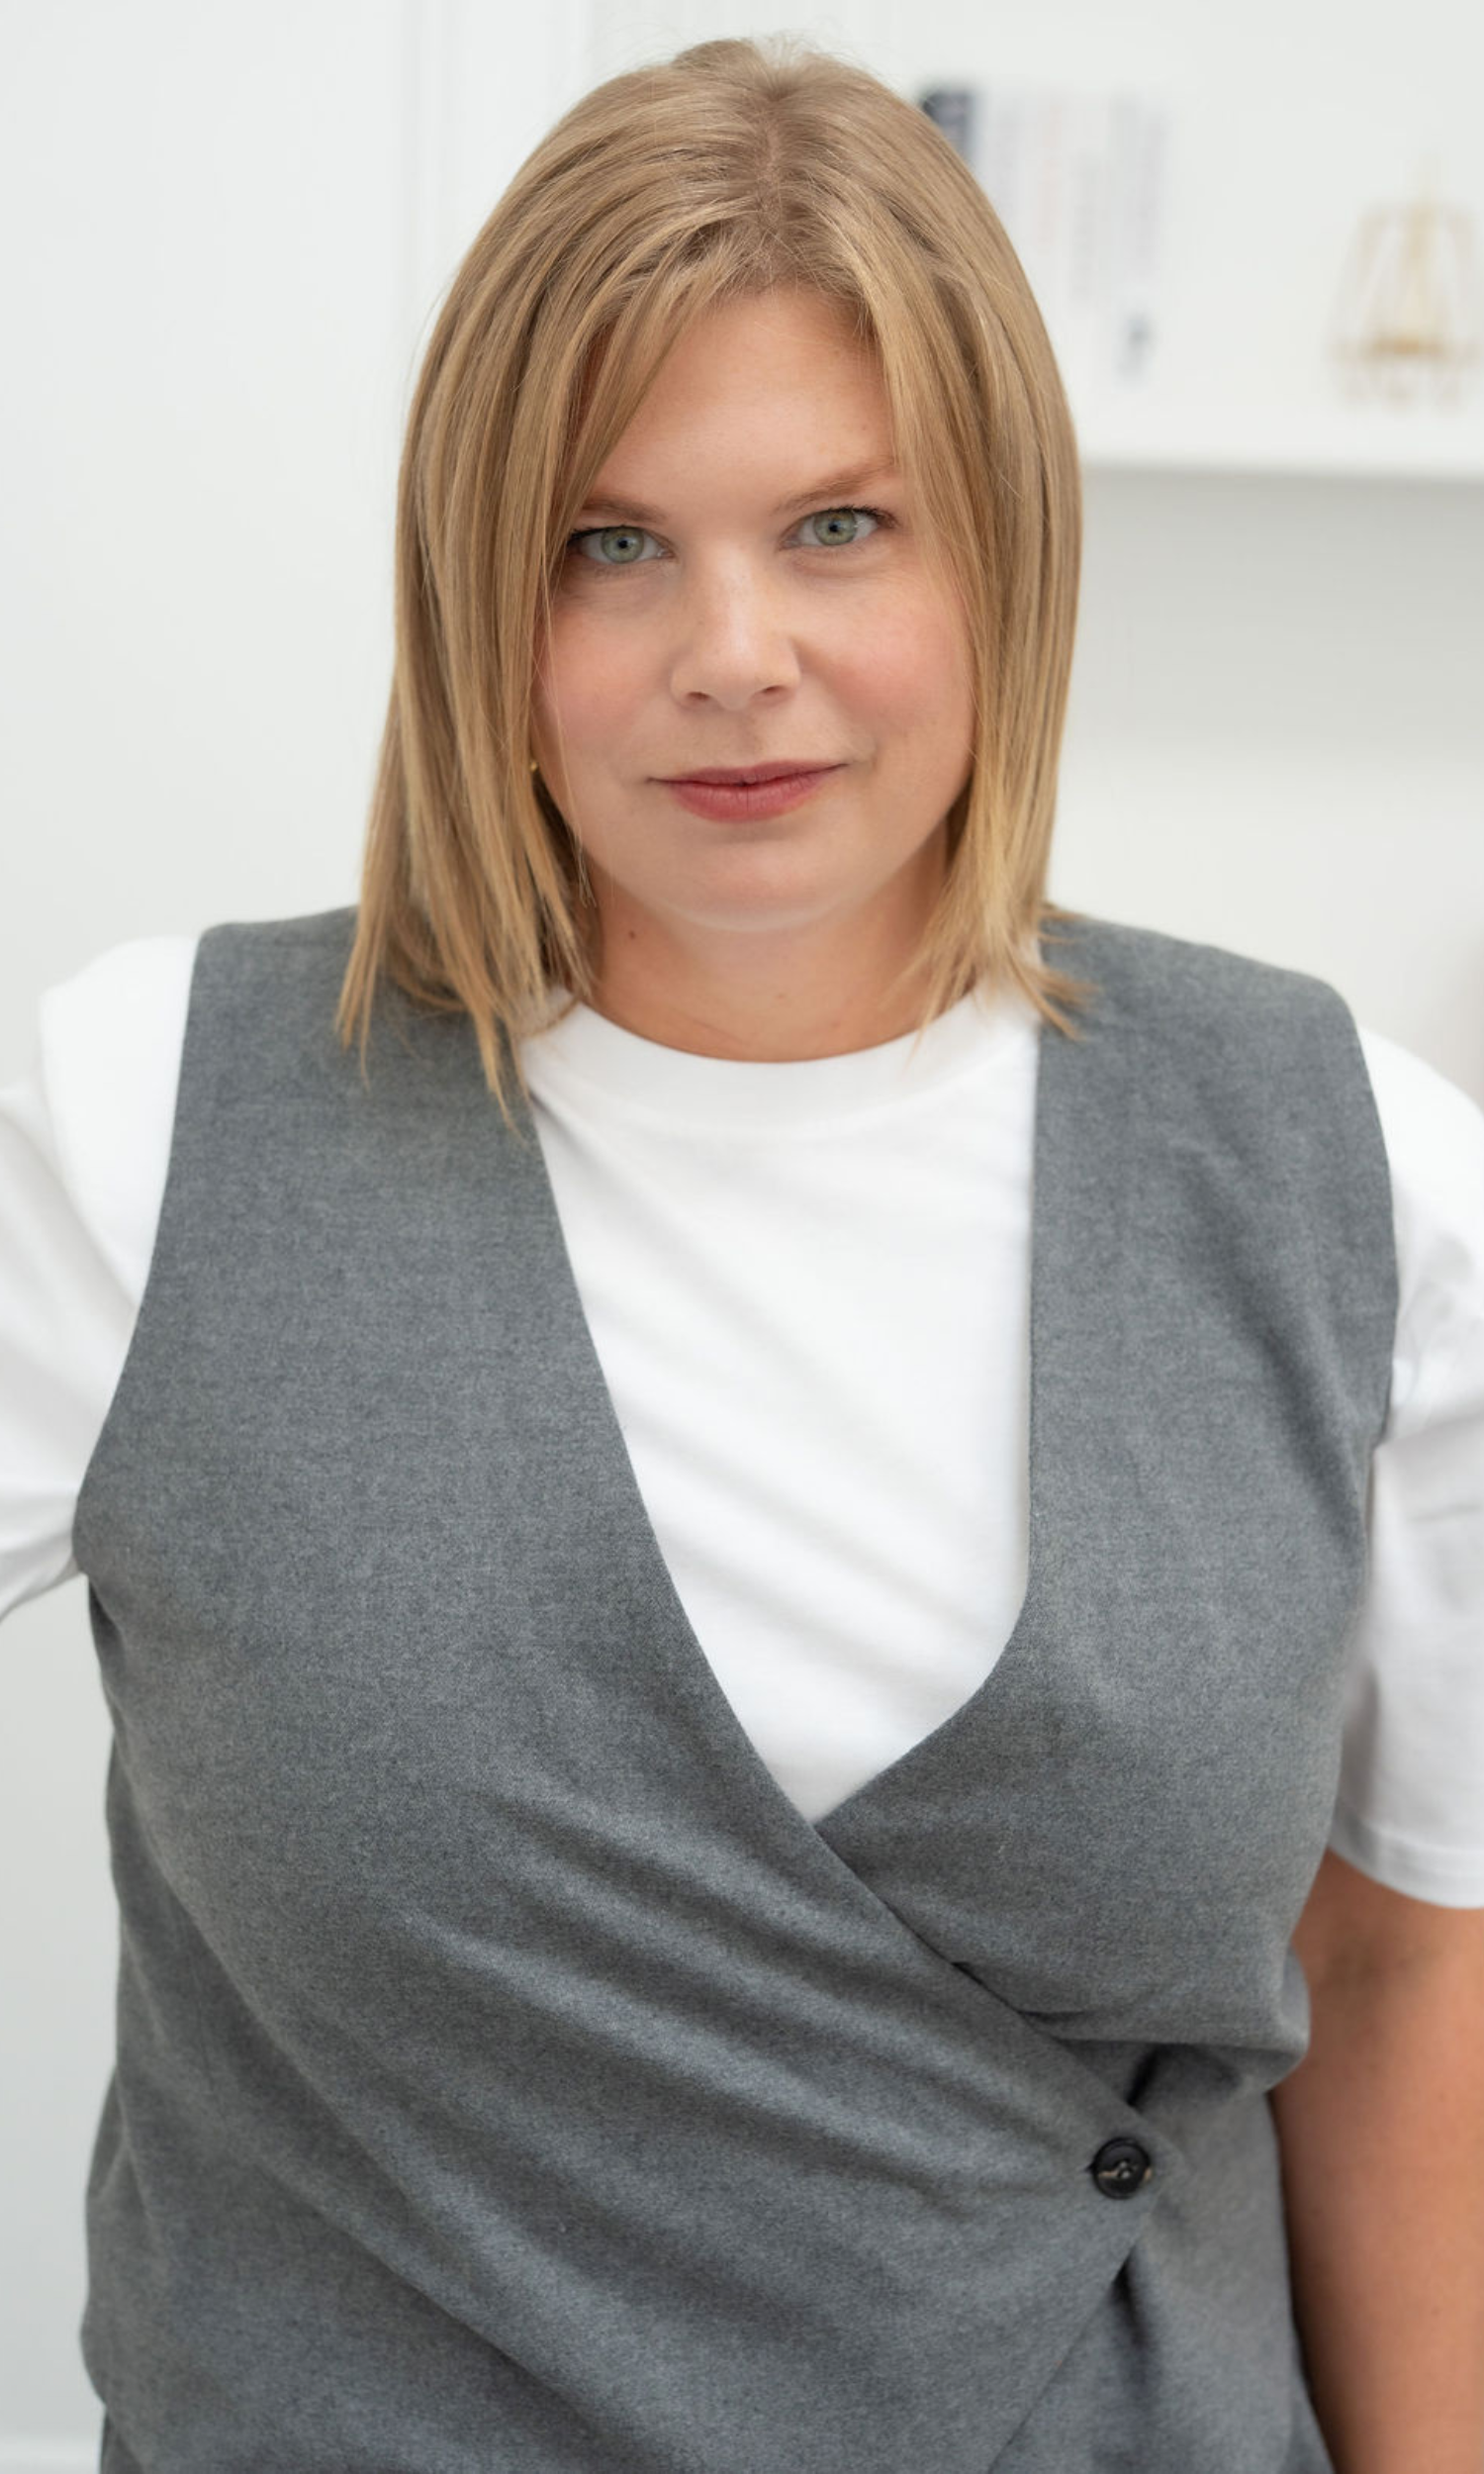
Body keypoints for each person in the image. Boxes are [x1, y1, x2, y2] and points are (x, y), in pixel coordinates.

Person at [2, 35, 1482, 2474]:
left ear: (1002, 556)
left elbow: (1401, 1963)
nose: (732, 653)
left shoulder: (1361, 1173)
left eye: (838, 526)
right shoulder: (154, 1122)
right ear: (480, 601)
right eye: (611, 544)